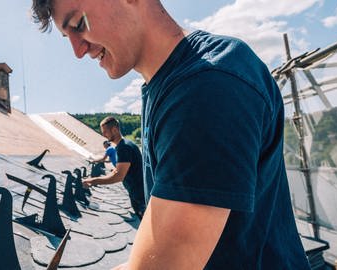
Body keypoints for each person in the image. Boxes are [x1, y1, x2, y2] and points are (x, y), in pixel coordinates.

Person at [31, 1, 310, 269]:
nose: (78, 51)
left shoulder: (206, 86)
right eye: (67, 36)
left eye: (79, 24)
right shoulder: (169, 87)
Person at [82, 116, 146, 219]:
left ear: (115, 130)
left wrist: (93, 181)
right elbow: (117, 171)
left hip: (139, 196)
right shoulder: (125, 145)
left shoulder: (123, 147)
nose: (104, 135)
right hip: (138, 193)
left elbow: (118, 176)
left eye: (105, 132)